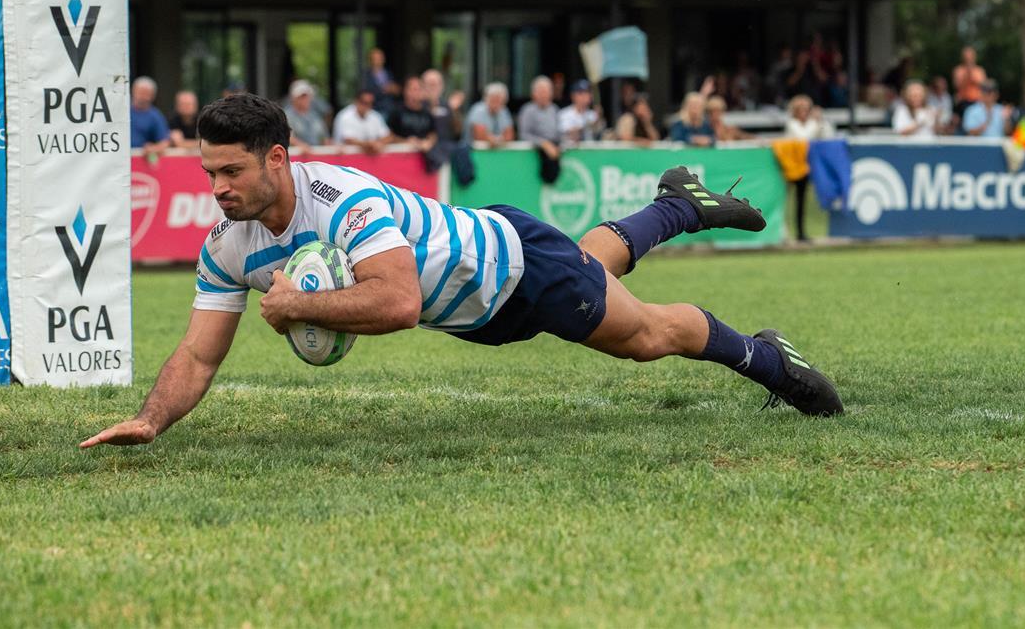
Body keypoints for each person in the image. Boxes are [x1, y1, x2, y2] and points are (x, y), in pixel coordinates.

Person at [77, 93, 842, 450]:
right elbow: (199, 352)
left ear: (279, 157)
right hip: (483, 304)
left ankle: (774, 362)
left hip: (514, 270)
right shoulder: (228, 245)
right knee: (592, 267)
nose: (216, 190)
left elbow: (399, 301)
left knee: (643, 335)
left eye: (231, 171)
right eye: (208, 173)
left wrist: (297, 311)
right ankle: (676, 203)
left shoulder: (343, 198)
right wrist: (152, 417)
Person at [781, 95, 833, 243]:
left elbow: (827, 135)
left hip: (807, 167)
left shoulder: (813, 123)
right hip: (792, 167)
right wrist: (816, 125)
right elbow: (802, 138)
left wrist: (820, 121)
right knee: (786, 200)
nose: (804, 112)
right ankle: (783, 231)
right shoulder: (791, 124)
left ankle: (801, 232)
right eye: (801, 109)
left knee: (802, 201)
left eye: (806, 109)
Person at [333, 88, 395, 155]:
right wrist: (370, 144)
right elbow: (348, 140)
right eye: (364, 102)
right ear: (356, 101)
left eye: (370, 103)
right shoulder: (344, 116)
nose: (367, 106)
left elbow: (388, 136)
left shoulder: (375, 116)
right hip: (345, 160)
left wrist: (378, 143)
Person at [387, 76, 438, 153]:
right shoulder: (396, 111)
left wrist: (428, 142)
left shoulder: (427, 113)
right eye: (413, 89)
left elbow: (433, 134)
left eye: (418, 89)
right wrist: (405, 141)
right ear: (405, 91)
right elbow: (387, 135)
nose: (415, 93)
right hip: (400, 155)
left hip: (422, 157)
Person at [517, 75, 563, 158]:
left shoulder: (554, 109)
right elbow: (524, 135)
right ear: (534, 94)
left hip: (555, 151)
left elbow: (559, 131)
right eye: (541, 92)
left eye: (546, 91)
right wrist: (544, 144)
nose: (544, 95)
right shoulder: (527, 110)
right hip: (535, 153)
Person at [283, 80, 329, 154]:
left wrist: (335, 147)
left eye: (307, 96)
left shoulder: (315, 115)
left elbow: (324, 138)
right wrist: (301, 145)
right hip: (295, 160)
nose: (305, 99)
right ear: (293, 98)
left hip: (315, 159)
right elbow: (286, 137)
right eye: (301, 97)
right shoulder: (286, 115)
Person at [464, 82, 516, 147]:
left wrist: (495, 140)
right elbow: (480, 136)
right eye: (493, 99)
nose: (496, 104)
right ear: (486, 98)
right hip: (472, 151)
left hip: (496, 152)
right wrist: (500, 139)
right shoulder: (478, 110)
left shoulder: (504, 111)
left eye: (499, 100)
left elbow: (510, 136)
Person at [129, 76, 171, 155]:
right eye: (140, 92)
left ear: (153, 96)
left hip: (140, 159)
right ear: (133, 91)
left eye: (146, 94)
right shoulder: (122, 111)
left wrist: (154, 148)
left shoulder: (155, 116)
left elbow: (165, 142)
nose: (143, 97)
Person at [558, 79, 604, 144]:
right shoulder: (564, 114)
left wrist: (599, 118)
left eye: (587, 93)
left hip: (588, 151)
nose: (585, 96)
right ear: (573, 96)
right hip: (570, 151)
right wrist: (588, 126)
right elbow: (571, 134)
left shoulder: (592, 114)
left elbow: (599, 135)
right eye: (581, 93)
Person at [360, 47, 400, 119]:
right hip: (375, 110)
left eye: (380, 58)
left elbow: (396, 89)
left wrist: (394, 89)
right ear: (370, 60)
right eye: (376, 58)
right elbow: (365, 92)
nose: (378, 60)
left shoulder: (388, 73)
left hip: (391, 109)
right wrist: (384, 89)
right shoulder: (366, 75)